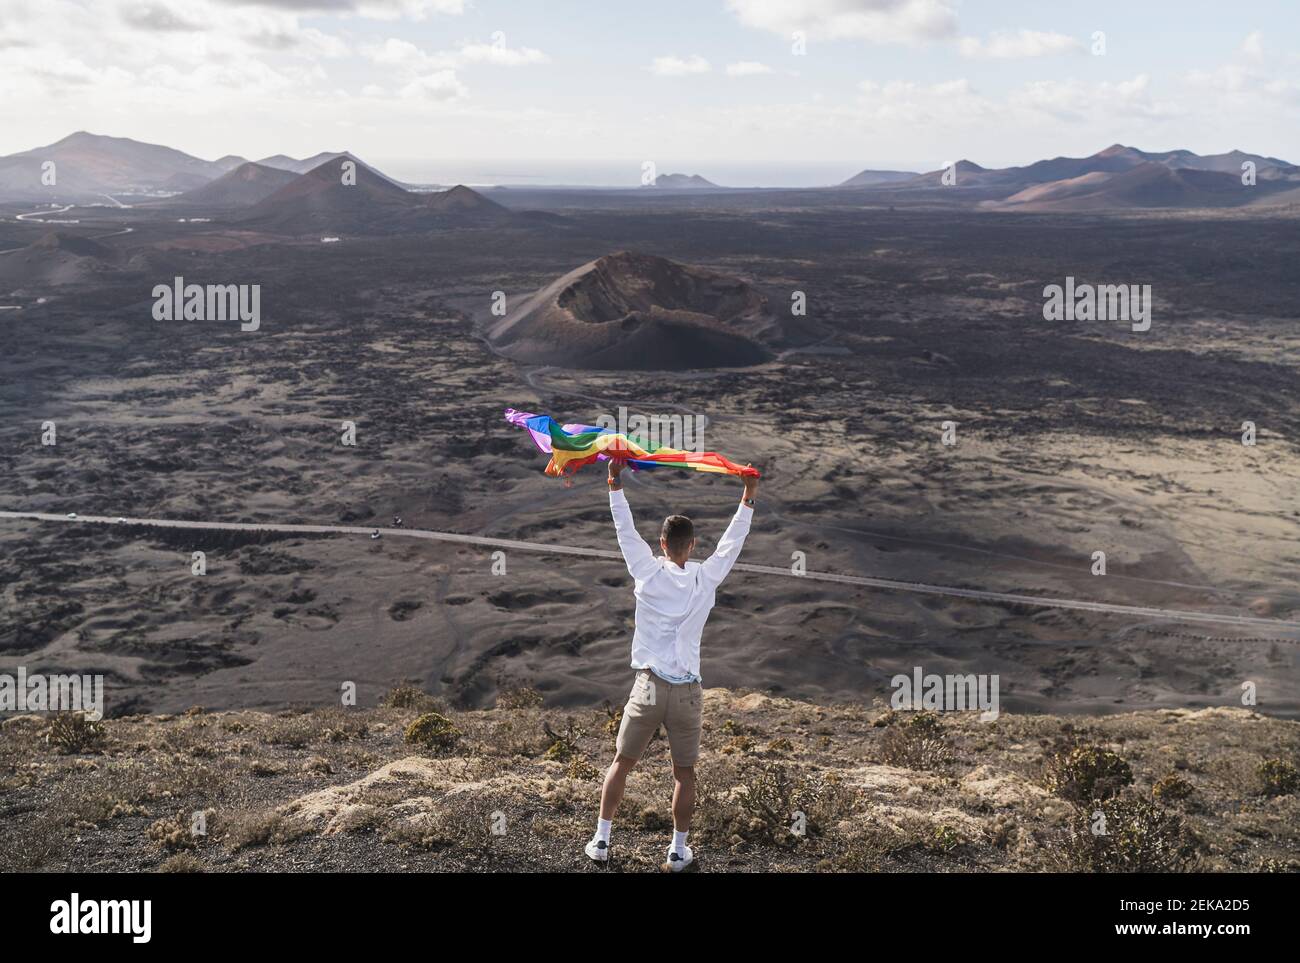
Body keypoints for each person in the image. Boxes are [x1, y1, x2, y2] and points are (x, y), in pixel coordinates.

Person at [585, 456, 758, 871]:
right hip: (688, 693)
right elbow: (733, 542)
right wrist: (748, 496)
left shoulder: (645, 570)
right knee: (684, 774)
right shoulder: (706, 577)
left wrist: (614, 481)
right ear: (692, 545)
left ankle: (602, 841)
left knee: (621, 765)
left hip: (647, 688)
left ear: (661, 544)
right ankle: (678, 851)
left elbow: (623, 529)